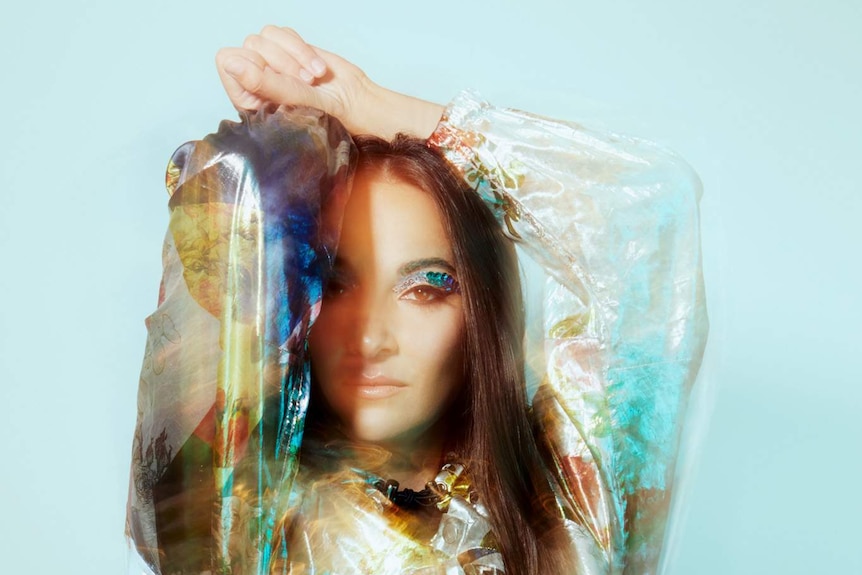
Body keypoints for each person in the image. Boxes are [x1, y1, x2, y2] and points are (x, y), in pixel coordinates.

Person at [126, 26, 708, 575]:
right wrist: (279, 164)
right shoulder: (244, 520)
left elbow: (640, 214)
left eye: (425, 288)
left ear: (479, 313)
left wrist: (369, 106)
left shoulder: (566, 513)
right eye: (333, 284)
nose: (371, 337)